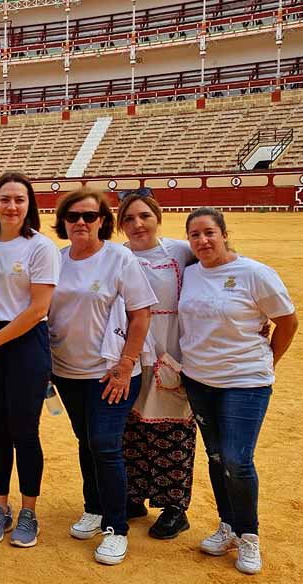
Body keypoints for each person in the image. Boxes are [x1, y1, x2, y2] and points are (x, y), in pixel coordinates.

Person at [179, 207, 298, 575]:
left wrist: (267, 362)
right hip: (199, 379)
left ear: (225, 234)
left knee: (237, 459)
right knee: (216, 457)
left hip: (245, 382)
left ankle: (249, 535)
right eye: (195, 235)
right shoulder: (191, 273)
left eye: (209, 233)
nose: (202, 241)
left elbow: (288, 321)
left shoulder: (254, 273)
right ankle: (227, 525)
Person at [48, 189, 156, 566]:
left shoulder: (119, 258)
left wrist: (126, 364)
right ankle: (93, 508)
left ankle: (116, 526)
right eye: (73, 216)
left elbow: (142, 314)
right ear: (63, 221)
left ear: (102, 222)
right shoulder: (57, 259)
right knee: (85, 441)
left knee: (105, 444)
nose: (81, 222)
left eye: (89, 216)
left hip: (111, 371)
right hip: (67, 370)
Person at [0, 172, 59, 549]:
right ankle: (0, 507)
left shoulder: (40, 247)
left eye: (20, 199)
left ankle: (29, 511)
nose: (12, 206)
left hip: (22, 343)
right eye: (5, 199)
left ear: (29, 205)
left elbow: (38, 309)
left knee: (25, 432)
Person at [116, 191, 197, 540]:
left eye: (144, 216)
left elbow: (218, 272)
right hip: (130, 350)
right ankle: (133, 496)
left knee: (172, 428)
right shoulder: (116, 256)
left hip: (170, 349)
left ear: (157, 217)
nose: (138, 224)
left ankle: (174, 507)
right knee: (130, 426)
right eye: (130, 219)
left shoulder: (181, 252)